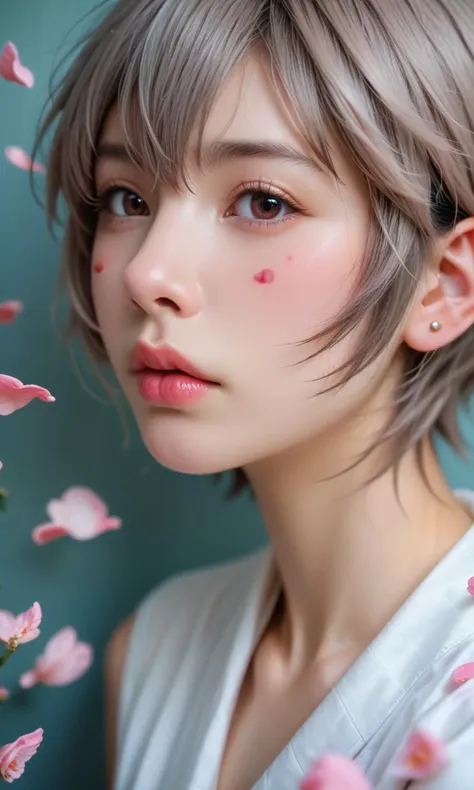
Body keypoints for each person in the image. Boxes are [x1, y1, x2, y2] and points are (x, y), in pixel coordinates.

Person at [34, 1, 474, 788]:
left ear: (443, 285)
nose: (147, 273)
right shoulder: (156, 652)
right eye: (127, 199)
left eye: (263, 202)